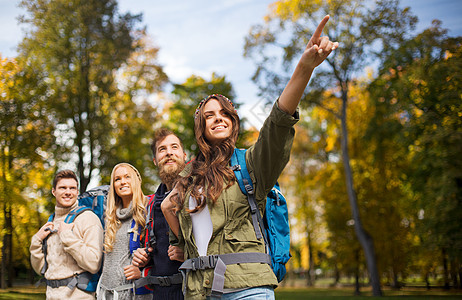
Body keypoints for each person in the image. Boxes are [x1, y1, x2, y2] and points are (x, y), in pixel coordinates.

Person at [161, 15, 338, 299]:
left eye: (224, 114)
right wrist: (170, 213)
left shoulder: (251, 164)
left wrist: (304, 69)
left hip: (247, 289)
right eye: (209, 116)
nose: (218, 119)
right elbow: (180, 236)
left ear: (233, 121)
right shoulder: (188, 177)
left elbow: (276, 126)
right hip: (198, 291)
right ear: (201, 129)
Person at [30, 169, 104, 299]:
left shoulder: (88, 218)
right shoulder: (51, 222)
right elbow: (41, 269)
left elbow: (93, 264)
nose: (68, 192)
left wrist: (67, 236)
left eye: (72, 188)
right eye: (63, 188)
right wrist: (36, 241)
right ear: (54, 191)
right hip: (51, 295)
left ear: (77, 192)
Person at [131, 129, 187, 299]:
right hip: (159, 293)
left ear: (184, 155)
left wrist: (188, 253)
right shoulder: (151, 205)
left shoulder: (198, 195)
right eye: (162, 149)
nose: (169, 152)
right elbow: (156, 250)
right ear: (155, 161)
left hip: (193, 291)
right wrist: (145, 257)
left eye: (174, 147)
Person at [97, 163, 152, 300]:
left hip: (134, 293)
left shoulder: (148, 211)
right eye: (117, 179)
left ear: (136, 180)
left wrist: (143, 272)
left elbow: (160, 254)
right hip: (107, 293)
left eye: (127, 177)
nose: (123, 182)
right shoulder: (110, 217)